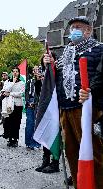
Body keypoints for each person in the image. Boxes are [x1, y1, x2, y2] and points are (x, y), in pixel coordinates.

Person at [43, 16, 103, 188]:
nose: (74, 31)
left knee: (94, 151)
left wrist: (92, 90)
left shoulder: (99, 49)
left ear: (88, 30)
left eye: (78, 27)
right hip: (66, 109)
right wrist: (48, 64)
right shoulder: (65, 53)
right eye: (71, 28)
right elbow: (55, 76)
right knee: (71, 152)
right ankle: (79, 184)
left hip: (88, 108)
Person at [1, 67, 25, 147]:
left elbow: (21, 94)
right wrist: (13, 83)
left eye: (16, 71)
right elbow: (5, 91)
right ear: (11, 73)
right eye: (13, 72)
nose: (15, 73)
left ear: (19, 73)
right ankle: (10, 139)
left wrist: (10, 94)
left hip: (18, 105)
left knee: (16, 123)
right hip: (9, 105)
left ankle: (15, 139)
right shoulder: (8, 81)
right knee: (9, 122)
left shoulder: (22, 83)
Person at [25, 65, 42, 150]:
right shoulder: (29, 81)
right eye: (34, 70)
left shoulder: (43, 81)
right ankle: (29, 143)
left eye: (38, 69)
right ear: (32, 72)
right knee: (30, 123)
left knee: (38, 124)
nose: (36, 71)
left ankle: (37, 143)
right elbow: (27, 93)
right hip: (30, 103)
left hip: (39, 103)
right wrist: (29, 102)